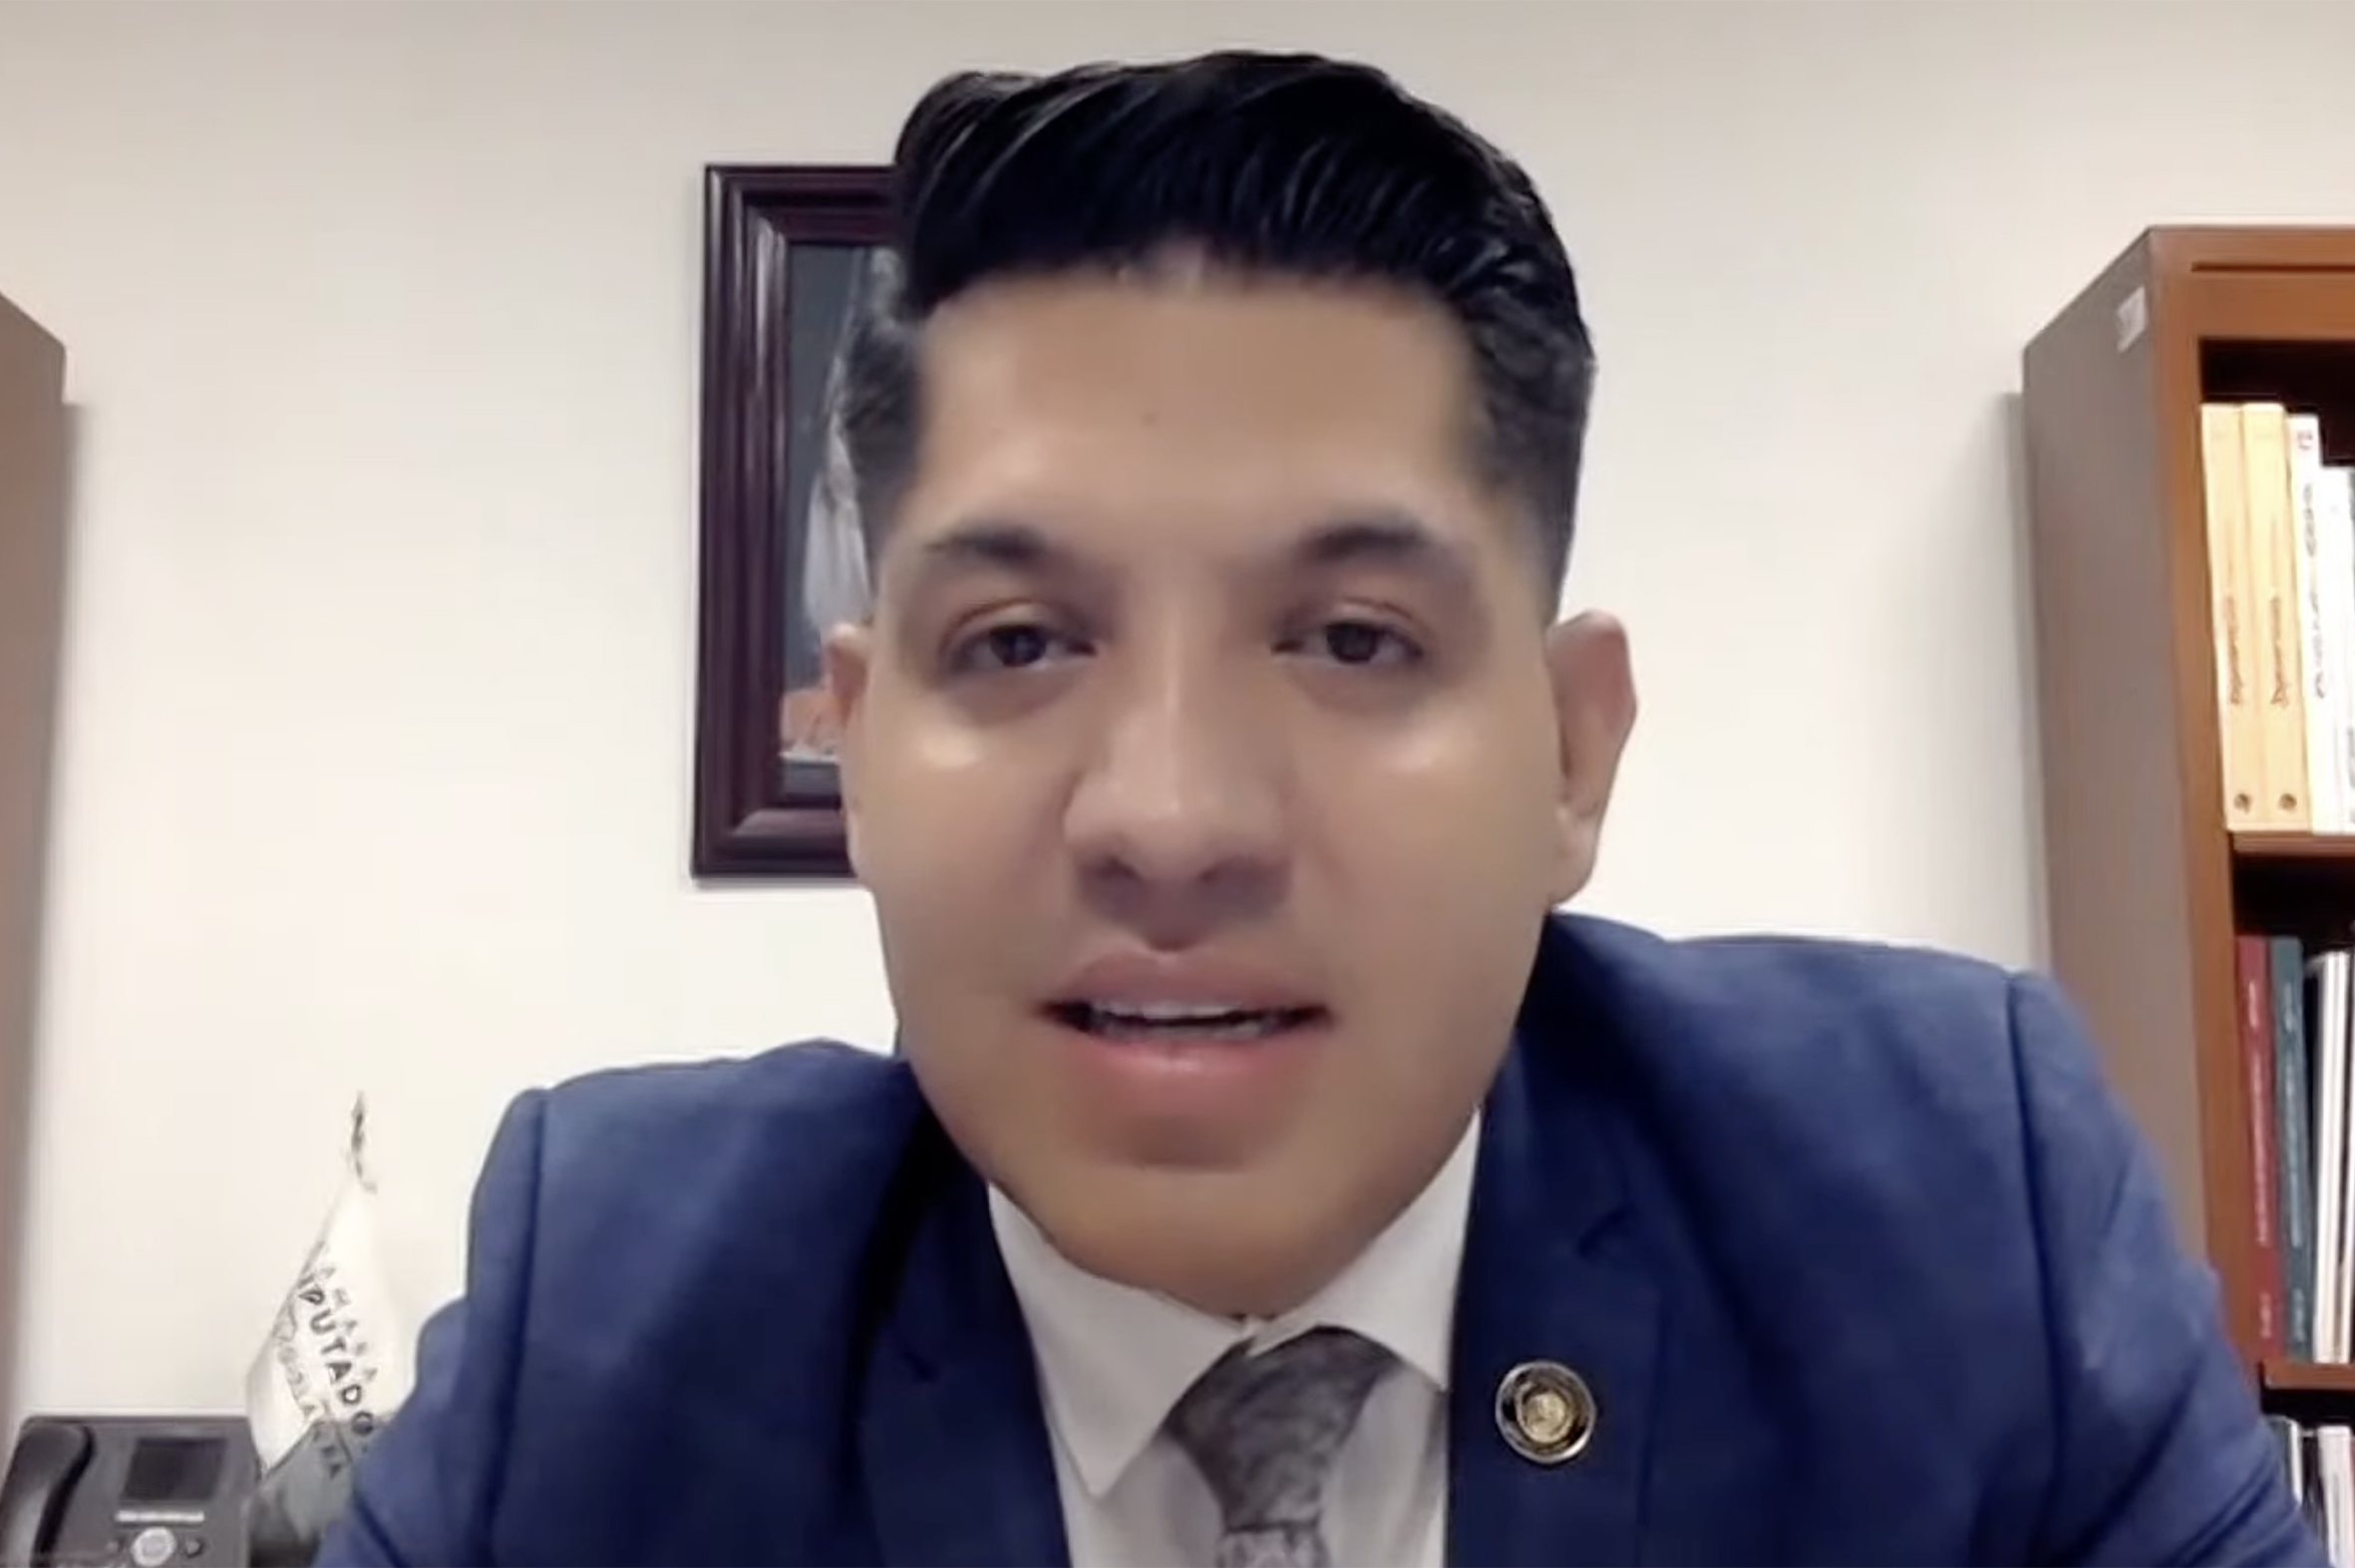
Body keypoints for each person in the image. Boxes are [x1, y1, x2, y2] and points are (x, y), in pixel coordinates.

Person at [313, 49, 2322, 1568]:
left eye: (1351, 638)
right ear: (855, 747)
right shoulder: (617, 1319)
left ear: (1569, 753)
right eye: (1018, 642)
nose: (1171, 818)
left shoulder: (1952, 1219)